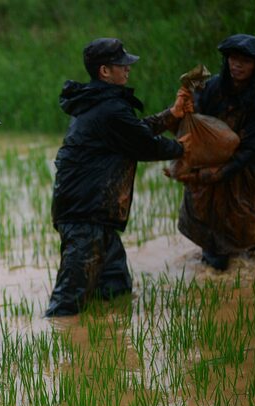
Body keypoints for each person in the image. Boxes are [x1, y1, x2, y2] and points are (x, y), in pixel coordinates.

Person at [44, 38, 190, 317]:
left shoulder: (99, 103)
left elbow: (132, 131)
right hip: (84, 217)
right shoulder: (108, 108)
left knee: (116, 289)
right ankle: (56, 349)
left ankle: (108, 346)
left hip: (96, 217)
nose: (128, 69)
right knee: (67, 303)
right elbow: (142, 143)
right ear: (104, 72)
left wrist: (171, 116)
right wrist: (184, 149)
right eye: (121, 65)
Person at [174, 34, 255, 270]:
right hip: (214, 159)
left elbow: (254, 147)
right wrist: (185, 108)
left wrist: (222, 171)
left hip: (251, 164)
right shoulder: (211, 88)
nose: (237, 65)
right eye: (233, 58)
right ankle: (214, 248)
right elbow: (195, 126)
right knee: (213, 225)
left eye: (245, 60)